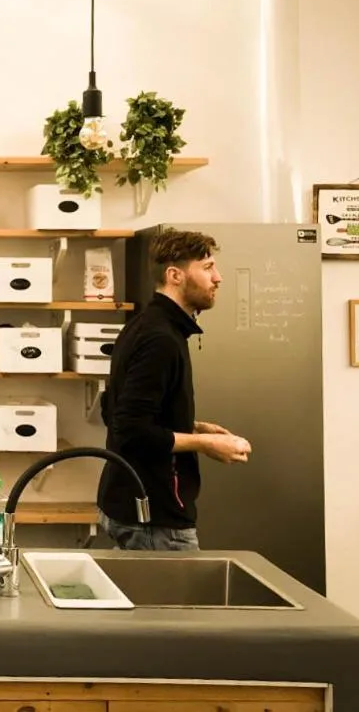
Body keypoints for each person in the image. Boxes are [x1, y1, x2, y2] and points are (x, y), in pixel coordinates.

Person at [96, 227, 251, 551]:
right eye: (207, 268)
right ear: (175, 275)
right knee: (175, 605)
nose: (218, 278)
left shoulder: (146, 326)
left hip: (133, 507)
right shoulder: (160, 339)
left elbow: (119, 410)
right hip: (154, 519)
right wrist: (204, 443)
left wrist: (193, 426)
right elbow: (131, 430)